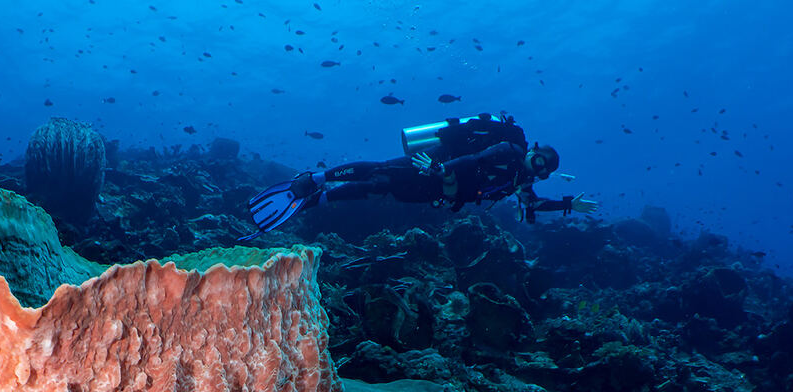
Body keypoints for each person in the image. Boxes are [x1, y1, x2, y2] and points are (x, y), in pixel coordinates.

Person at [245, 113, 597, 237]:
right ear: (532, 151)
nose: (536, 167)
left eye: (542, 168)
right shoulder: (510, 152)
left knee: (377, 189)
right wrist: (442, 167)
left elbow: (534, 207)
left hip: (440, 191)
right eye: (538, 159)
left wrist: (570, 204)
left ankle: (315, 200)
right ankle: (316, 179)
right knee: (381, 173)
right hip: (436, 168)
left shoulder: (521, 182)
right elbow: (476, 156)